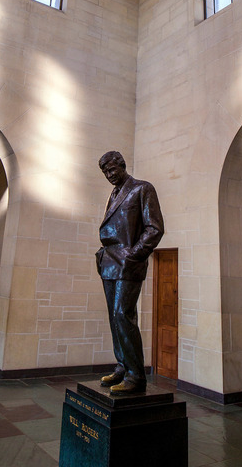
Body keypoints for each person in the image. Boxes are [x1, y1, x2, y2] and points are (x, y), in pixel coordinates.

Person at [95, 151, 164, 394]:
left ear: (123, 165)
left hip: (127, 262)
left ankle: (136, 376)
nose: (110, 175)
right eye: (105, 172)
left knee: (123, 314)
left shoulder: (142, 189)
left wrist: (132, 255)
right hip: (109, 263)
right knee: (114, 318)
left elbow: (154, 228)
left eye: (113, 170)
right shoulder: (113, 194)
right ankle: (123, 367)